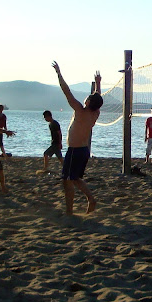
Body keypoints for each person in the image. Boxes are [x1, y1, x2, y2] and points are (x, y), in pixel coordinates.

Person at [52, 61, 101, 215]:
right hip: (83, 150)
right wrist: (98, 84)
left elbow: (66, 91)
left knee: (67, 180)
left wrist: (59, 74)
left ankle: (71, 210)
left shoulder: (80, 110)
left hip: (75, 150)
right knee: (74, 179)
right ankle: (89, 199)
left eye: (87, 97)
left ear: (88, 102)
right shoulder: (95, 113)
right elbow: (97, 99)